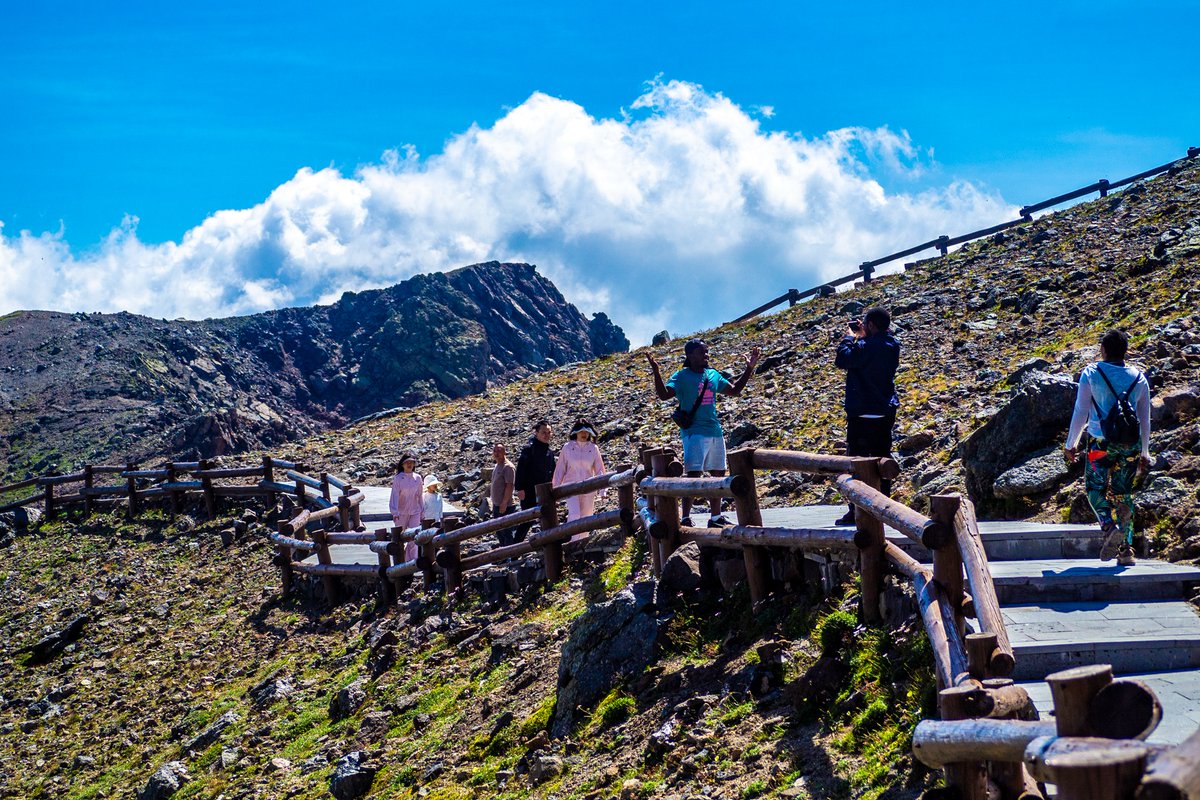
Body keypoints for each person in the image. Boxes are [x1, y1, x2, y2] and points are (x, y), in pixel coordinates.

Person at [648, 339, 762, 526]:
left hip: (715, 430)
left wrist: (749, 368)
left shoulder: (713, 374)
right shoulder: (681, 376)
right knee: (694, 474)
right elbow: (664, 395)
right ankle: (685, 518)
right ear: (690, 355)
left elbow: (735, 390)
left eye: (707, 352)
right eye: (702, 352)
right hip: (694, 433)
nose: (706, 355)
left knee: (718, 473)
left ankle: (715, 517)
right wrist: (656, 372)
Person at [1064, 329, 1152, 566]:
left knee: (1095, 489)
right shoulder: (1139, 377)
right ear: (1126, 351)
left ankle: (1108, 525)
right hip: (1130, 444)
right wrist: (1145, 451)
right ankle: (1126, 551)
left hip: (1100, 442)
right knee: (1124, 493)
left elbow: (1081, 411)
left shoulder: (1092, 373)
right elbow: (1144, 419)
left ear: (1103, 350)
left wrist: (1071, 444)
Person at [834, 307, 901, 526]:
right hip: (884, 411)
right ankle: (884, 508)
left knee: (857, 462)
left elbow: (843, 359)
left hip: (862, 413)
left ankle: (857, 510)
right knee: (882, 459)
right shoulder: (892, 345)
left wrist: (849, 338)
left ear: (871, 324)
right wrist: (863, 337)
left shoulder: (863, 347)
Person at [552, 419, 606, 521]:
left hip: (589, 487)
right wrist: (556, 490)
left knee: (586, 517)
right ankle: (572, 532)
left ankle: (581, 533)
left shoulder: (593, 448)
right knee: (575, 514)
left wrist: (602, 491)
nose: (584, 434)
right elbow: (560, 469)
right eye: (581, 431)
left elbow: (600, 470)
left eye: (586, 431)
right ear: (575, 432)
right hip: (570, 487)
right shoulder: (567, 448)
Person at [513, 420, 556, 541]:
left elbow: (553, 472)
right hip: (529, 492)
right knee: (527, 519)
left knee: (548, 517)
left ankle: (548, 544)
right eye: (543, 432)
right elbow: (521, 469)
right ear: (536, 433)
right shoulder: (529, 449)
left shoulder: (549, 452)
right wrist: (520, 488)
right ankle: (514, 547)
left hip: (545, 492)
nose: (546, 435)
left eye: (549, 432)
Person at [389, 453, 423, 561]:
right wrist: (394, 512)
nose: (409, 464)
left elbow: (420, 496)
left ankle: (412, 562)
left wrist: (422, 511)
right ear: (402, 464)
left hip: (415, 511)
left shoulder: (418, 478)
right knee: (400, 538)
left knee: (413, 538)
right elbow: (394, 496)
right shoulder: (398, 478)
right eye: (407, 462)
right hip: (401, 513)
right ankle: (400, 562)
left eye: (411, 462)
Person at [490, 443, 518, 547]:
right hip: (496, 504)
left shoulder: (508, 467)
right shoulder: (497, 465)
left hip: (506, 506)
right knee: (499, 531)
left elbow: (509, 486)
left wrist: (504, 502)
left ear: (505, 452)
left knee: (507, 532)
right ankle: (503, 551)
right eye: (495, 451)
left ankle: (509, 553)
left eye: (499, 451)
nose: (496, 453)